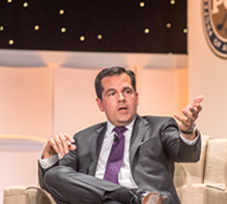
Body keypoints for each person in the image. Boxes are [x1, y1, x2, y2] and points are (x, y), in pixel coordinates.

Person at [38, 66, 203, 204]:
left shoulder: (159, 127)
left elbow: (186, 154)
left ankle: (131, 198)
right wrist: (49, 154)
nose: (121, 98)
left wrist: (187, 131)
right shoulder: (83, 139)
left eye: (127, 91)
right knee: (54, 174)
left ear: (136, 98)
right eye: (112, 94)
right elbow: (53, 183)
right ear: (100, 104)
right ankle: (133, 197)